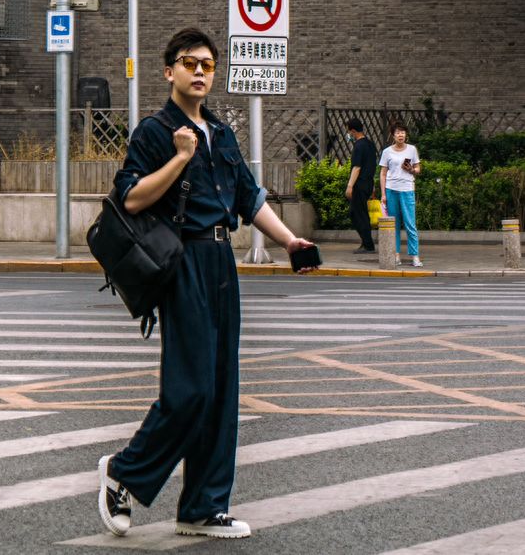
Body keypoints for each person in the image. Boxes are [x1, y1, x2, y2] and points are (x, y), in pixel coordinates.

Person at [97, 27, 316, 541]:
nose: (199, 72)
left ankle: (202, 506)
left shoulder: (222, 132)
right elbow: (129, 199)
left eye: (207, 65)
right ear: (168, 70)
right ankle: (122, 473)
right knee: (190, 387)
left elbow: (249, 198)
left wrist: (290, 242)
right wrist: (178, 157)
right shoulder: (155, 131)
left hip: (222, 261)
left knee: (220, 390)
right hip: (183, 260)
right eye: (189, 63)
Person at [378, 121, 423, 268]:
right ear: (393, 135)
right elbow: (383, 174)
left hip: (407, 189)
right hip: (391, 190)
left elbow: (418, 169)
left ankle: (415, 256)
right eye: (397, 132)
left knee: (410, 224)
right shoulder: (387, 152)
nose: (400, 135)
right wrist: (383, 194)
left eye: (403, 132)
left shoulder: (412, 150)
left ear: (406, 134)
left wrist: (412, 170)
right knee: (394, 225)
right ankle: (396, 255)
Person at [344, 118, 378, 256]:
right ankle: (365, 242)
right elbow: (372, 166)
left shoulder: (359, 146)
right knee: (359, 213)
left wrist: (350, 186)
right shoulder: (370, 144)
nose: (348, 134)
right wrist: (373, 186)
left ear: (352, 130)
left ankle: (368, 245)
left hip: (359, 184)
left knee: (358, 214)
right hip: (368, 183)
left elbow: (357, 167)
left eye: (349, 131)